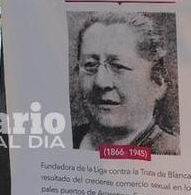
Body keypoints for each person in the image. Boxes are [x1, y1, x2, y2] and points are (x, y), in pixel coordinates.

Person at [72, 12, 179, 155]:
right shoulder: (65, 140)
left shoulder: (172, 152)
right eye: (90, 65)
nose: (100, 82)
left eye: (118, 66)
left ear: (157, 81)